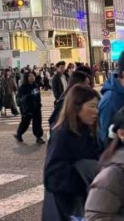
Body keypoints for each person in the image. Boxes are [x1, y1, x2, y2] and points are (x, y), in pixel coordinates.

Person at [42, 85, 101, 221]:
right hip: (67, 209)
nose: (96, 111)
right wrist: (85, 180)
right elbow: (52, 176)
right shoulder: (62, 134)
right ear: (76, 106)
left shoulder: (87, 131)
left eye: (97, 107)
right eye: (92, 106)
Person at [14, 71, 45, 144]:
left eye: (33, 76)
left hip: (36, 107)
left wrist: (39, 103)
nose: (32, 77)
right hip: (27, 108)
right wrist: (30, 94)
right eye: (30, 76)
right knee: (25, 123)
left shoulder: (35, 86)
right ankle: (19, 134)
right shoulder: (23, 87)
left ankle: (38, 137)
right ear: (26, 78)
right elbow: (20, 98)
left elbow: (38, 96)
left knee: (37, 123)